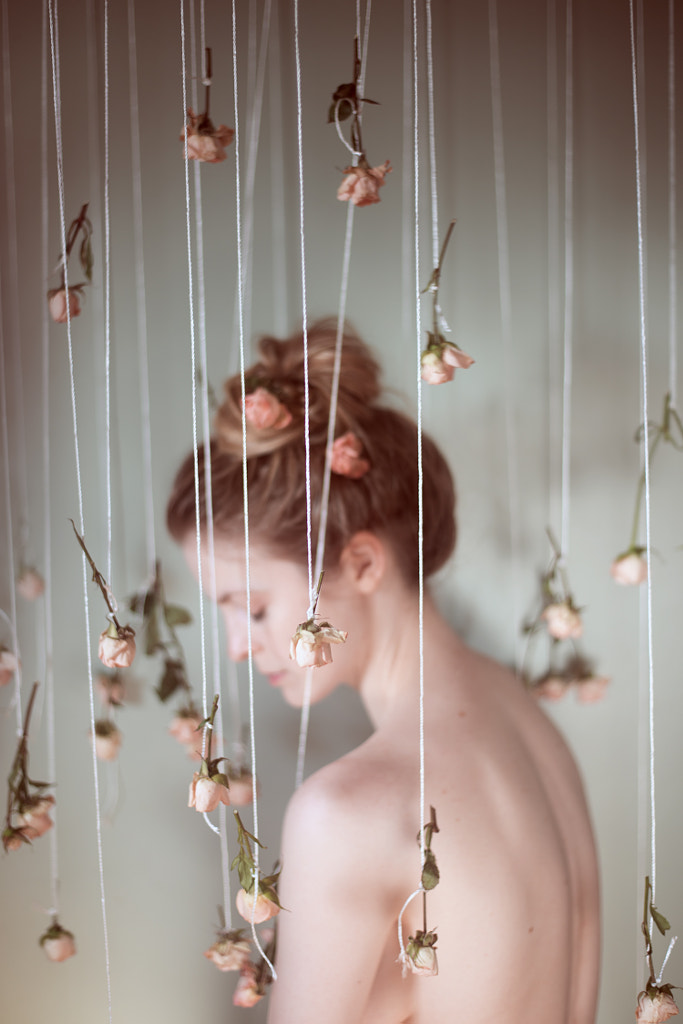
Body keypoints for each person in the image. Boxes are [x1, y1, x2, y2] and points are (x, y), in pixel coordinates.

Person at [166, 321, 600, 1024]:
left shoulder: (345, 814)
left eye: (252, 608)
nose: (238, 648)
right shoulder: (523, 718)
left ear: (364, 563)